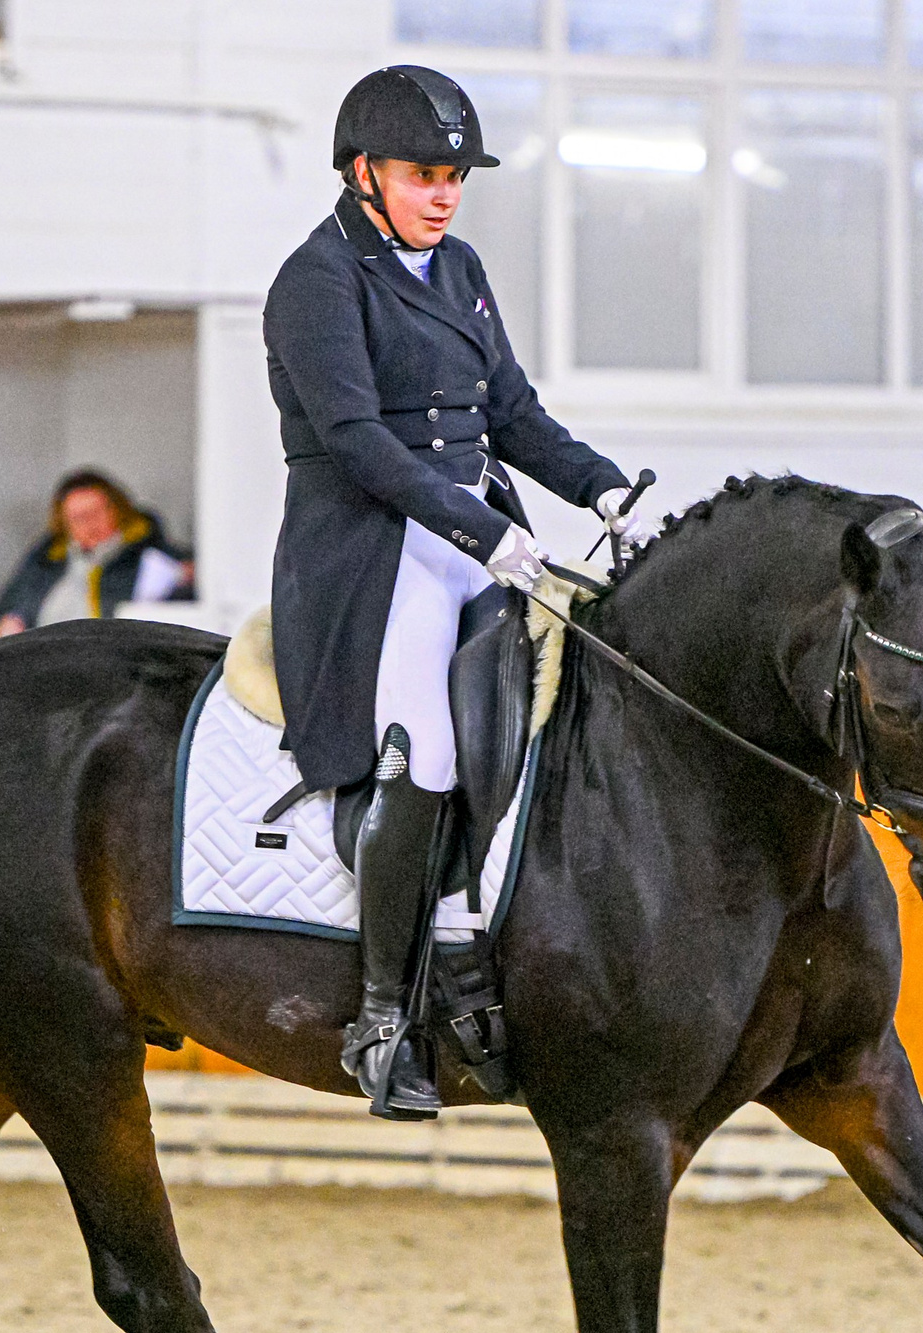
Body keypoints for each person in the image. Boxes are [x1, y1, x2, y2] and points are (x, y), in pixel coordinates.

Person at [264, 64, 650, 1118]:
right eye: (423, 175)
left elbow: (511, 412)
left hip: (480, 539)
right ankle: (386, 1014)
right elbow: (355, 442)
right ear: (362, 172)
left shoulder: (461, 265)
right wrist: (484, 534)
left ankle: (496, 956)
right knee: (425, 750)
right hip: (371, 553)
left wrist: (598, 484)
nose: (443, 194)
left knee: (547, 729)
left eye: (453, 178)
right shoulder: (316, 280)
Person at [0, 468, 194, 637]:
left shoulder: (149, 554)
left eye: (95, 513)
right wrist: (6, 623)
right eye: (77, 518)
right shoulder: (47, 560)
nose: (89, 525)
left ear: (118, 510)